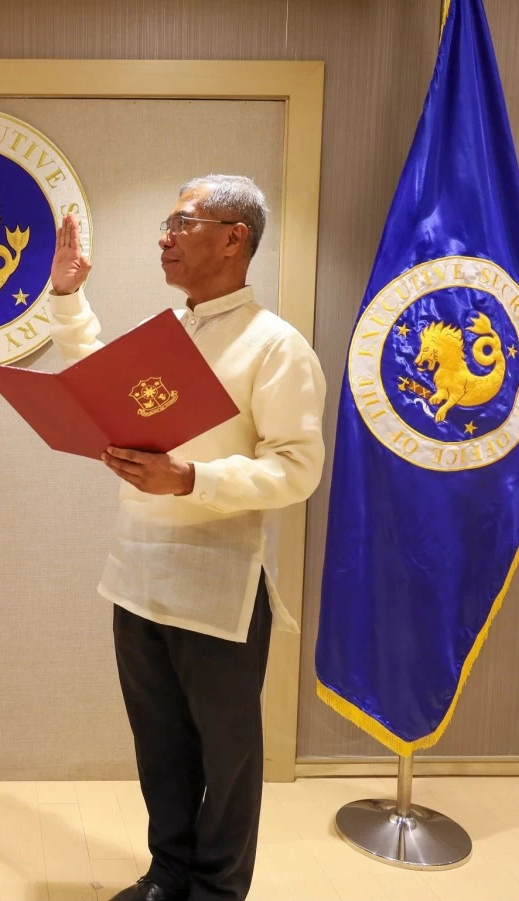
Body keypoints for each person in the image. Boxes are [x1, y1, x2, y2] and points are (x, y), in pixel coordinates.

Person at [46, 175, 326, 901]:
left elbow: (298, 470)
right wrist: (70, 297)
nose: (164, 237)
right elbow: (97, 379)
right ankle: (166, 873)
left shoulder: (276, 345)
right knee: (161, 746)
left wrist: (192, 479)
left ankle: (217, 889)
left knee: (227, 758)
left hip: (219, 584)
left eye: (183, 221)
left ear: (235, 238)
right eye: (166, 223)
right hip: (137, 574)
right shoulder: (171, 332)